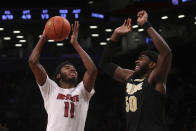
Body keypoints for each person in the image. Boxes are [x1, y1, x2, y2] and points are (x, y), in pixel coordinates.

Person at [100, 10, 172, 131]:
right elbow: (104, 63)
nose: (137, 61)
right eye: (137, 59)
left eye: (142, 59)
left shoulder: (155, 78)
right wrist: (116, 34)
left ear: (152, 64)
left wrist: (146, 25)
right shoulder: (130, 77)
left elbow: (166, 53)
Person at [28, 21, 97, 131]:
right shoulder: (50, 89)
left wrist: (75, 43)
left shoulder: (83, 91)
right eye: (67, 67)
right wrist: (43, 37)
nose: (72, 68)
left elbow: (92, 70)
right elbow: (33, 62)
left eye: (73, 68)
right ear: (59, 76)